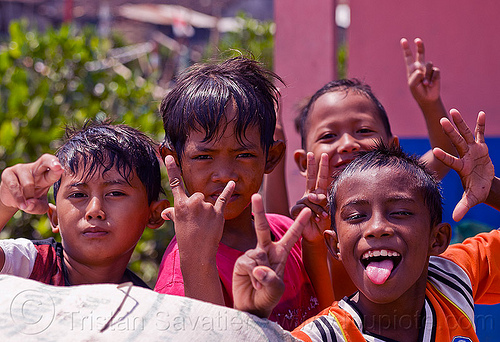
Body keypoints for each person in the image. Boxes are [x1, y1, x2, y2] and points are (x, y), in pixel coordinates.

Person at [233, 108, 500, 341]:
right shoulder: (323, 336)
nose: (377, 227)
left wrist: (492, 191)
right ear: (335, 244)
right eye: (356, 216)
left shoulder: (452, 277)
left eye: (400, 212)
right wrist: (250, 316)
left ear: (438, 239)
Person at [266, 38, 457, 305]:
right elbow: (274, 221)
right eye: (329, 135)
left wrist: (429, 102)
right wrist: (275, 143)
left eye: (363, 131)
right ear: (302, 161)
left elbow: (444, 153)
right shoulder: (307, 218)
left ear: (392, 147)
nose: (348, 144)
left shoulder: (403, 188)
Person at [154, 56, 320, 330]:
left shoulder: (287, 235)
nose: (225, 175)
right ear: (174, 159)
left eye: (243, 154)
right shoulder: (180, 275)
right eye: (204, 156)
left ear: (272, 156)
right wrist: (198, 264)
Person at [0, 120, 168, 287]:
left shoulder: (144, 304)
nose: (94, 210)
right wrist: (5, 205)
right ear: (55, 217)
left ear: (153, 214)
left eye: (115, 193)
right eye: (78, 194)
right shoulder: (29, 265)